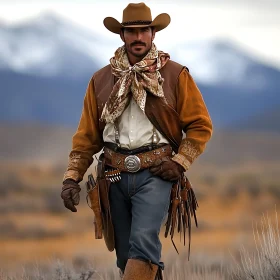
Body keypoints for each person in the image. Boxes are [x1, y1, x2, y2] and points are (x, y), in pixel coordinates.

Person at [61, 2, 213, 280]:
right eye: (132, 31)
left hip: (157, 173)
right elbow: (86, 137)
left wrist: (179, 163)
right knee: (124, 256)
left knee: (142, 245)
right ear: (122, 36)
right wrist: (72, 177)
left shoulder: (176, 75)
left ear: (153, 33)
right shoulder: (100, 80)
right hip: (112, 175)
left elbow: (200, 125)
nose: (139, 37)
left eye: (144, 30)